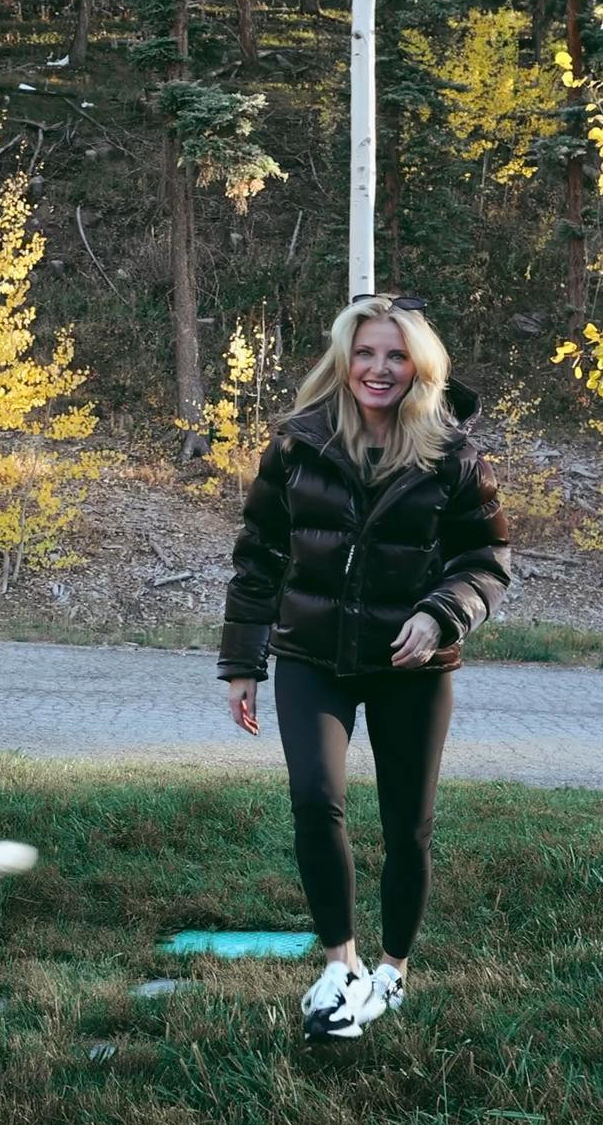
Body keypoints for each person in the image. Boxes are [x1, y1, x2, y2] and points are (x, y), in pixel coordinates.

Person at [218, 294, 510, 1041]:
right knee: (316, 800)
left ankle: (393, 971)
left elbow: (486, 562)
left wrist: (439, 613)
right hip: (314, 656)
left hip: (413, 666)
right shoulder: (297, 444)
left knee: (407, 825)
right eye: (366, 353)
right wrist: (243, 662)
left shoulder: (455, 457)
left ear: (421, 365)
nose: (378, 369)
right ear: (344, 360)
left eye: (396, 354)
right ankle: (340, 965)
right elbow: (258, 557)